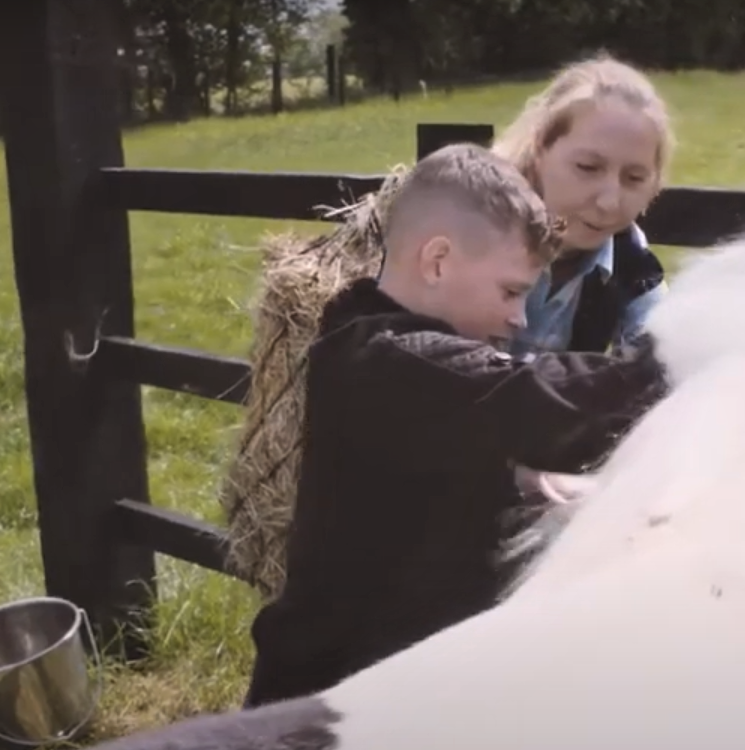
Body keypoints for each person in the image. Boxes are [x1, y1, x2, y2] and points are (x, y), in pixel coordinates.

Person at [242, 143, 668, 709]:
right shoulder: (391, 360)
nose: (520, 319)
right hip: (326, 706)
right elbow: (543, 403)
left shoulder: (376, 350)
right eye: (512, 291)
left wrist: (526, 489)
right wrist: (688, 357)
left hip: (388, 688)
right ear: (438, 261)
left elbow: (452, 454)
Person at [493, 51, 676, 357]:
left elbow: (666, 350)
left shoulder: (628, 256)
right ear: (540, 149)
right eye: (588, 168)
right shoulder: (471, 236)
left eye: (633, 178)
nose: (608, 202)